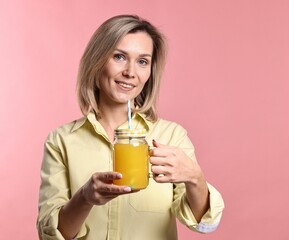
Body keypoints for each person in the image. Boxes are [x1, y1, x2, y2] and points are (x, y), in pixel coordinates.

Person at [37, 15, 224, 240]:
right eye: (119, 57)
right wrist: (85, 198)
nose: (130, 72)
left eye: (142, 61)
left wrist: (195, 177)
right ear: (97, 60)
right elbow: (52, 235)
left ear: (150, 72)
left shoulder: (171, 136)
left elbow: (204, 224)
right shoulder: (62, 141)